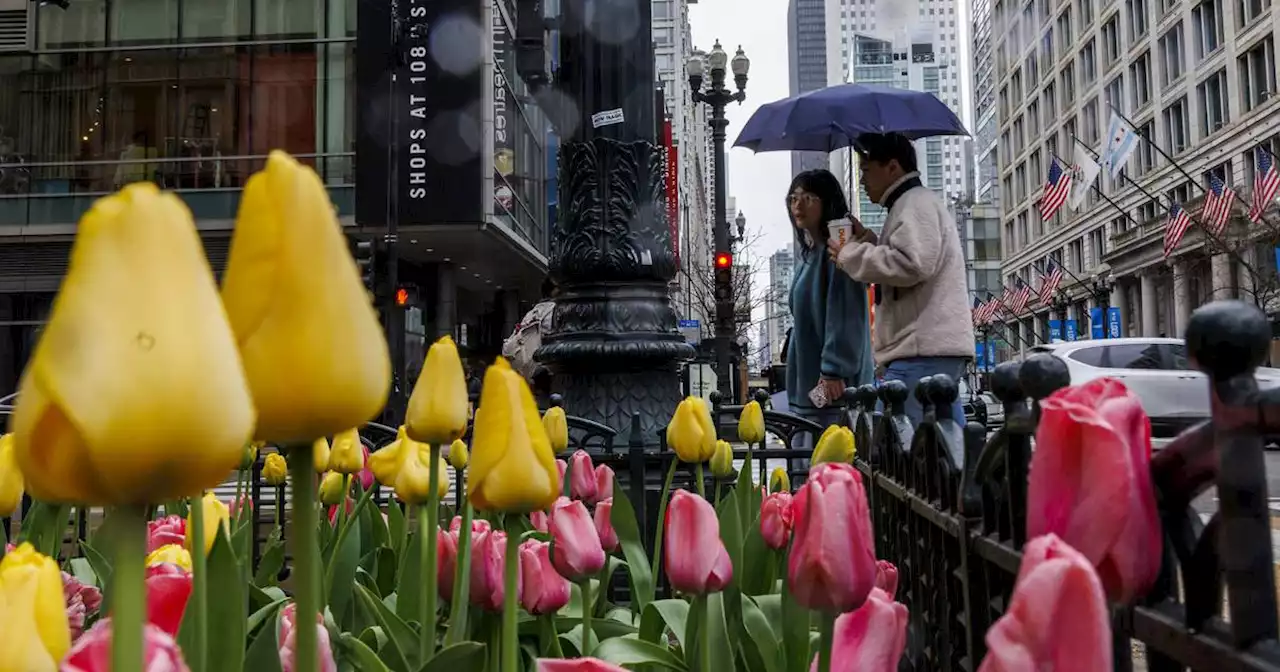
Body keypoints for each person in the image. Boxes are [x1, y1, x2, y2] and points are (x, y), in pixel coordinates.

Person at [827, 132, 975, 425]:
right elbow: (909, 259)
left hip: (920, 352)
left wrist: (851, 254)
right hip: (926, 351)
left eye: (866, 170)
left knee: (911, 457)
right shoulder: (911, 203)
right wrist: (869, 240)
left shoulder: (914, 203)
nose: (862, 181)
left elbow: (912, 264)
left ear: (892, 167)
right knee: (943, 451)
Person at [785, 169, 875, 432]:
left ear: (827, 203)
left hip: (833, 390)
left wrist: (834, 370)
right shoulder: (811, 256)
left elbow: (846, 314)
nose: (798, 205)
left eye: (809, 197)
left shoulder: (836, 254)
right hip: (810, 393)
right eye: (793, 198)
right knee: (811, 463)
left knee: (832, 461)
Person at [502, 278, 558, 397]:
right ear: (554, 292)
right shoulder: (555, 310)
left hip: (529, 366)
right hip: (547, 368)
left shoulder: (531, 313)